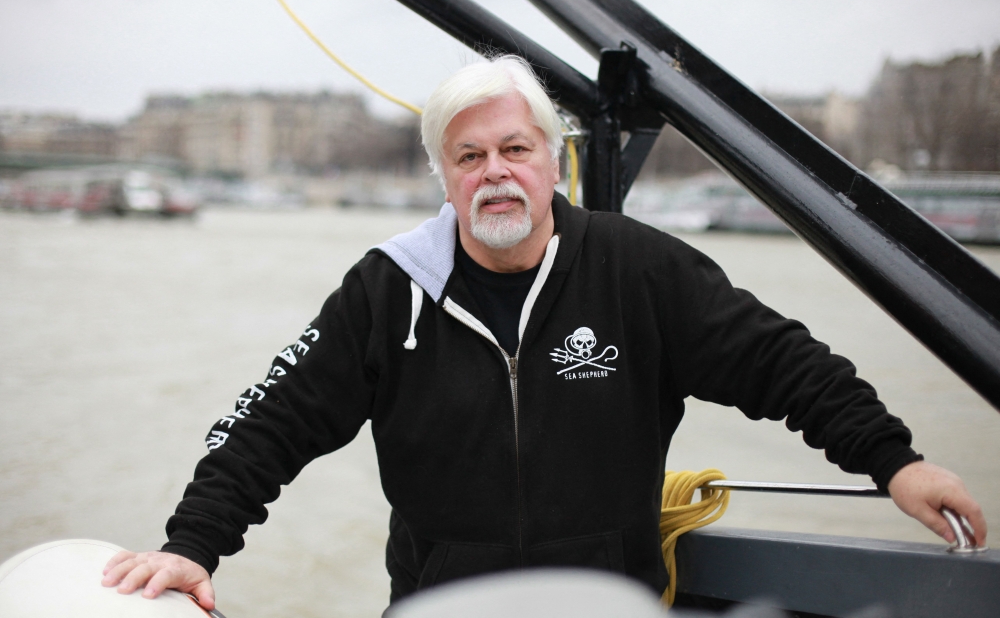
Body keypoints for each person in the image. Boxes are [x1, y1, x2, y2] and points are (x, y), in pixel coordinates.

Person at [101, 56, 986, 611]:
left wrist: (895, 462)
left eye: (515, 149)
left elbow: (781, 360)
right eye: (470, 156)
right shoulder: (386, 293)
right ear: (444, 178)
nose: (495, 173)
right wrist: (190, 546)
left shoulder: (639, 270)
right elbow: (268, 424)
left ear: (553, 160)